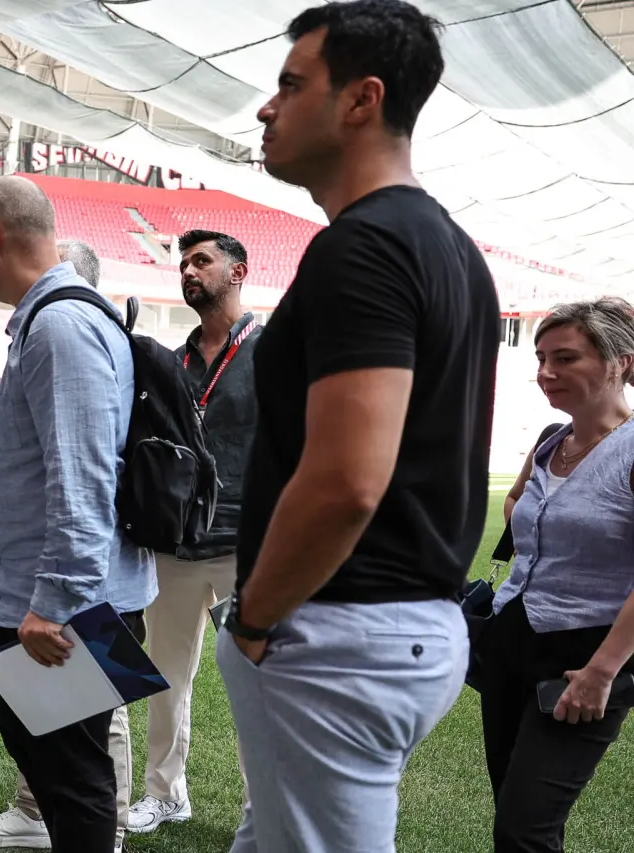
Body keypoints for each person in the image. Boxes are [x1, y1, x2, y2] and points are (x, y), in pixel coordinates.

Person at [215, 3, 500, 852]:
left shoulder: (365, 247)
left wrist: (255, 620)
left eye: (291, 84)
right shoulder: (448, 246)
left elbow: (347, 481)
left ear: (362, 99)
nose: (267, 107)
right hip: (391, 628)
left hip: (339, 632)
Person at [0, 174, 157, 853]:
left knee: (72, 778)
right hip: (78, 596)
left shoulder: (61, 326)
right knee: (51, 757)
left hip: (70, 605)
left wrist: (52, 604)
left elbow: (84, 479)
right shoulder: (57, 318)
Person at [483, 299, 634, 853]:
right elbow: (520, 502)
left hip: (587, 654)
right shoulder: (553, 439)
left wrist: (602, 671)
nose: (546, 372)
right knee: (517, 809)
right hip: (511, 638)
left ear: (620, 362)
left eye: (565, 358)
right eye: (542, 358)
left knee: (524, 828)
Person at [129, 230, 259, 833]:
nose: (188, 270)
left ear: (238, 272)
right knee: (164, 679)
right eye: (183, 263)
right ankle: (164, 793)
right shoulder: (173, 361)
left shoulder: (271, 351)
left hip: (246, 547)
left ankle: (261, 809)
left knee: (256, 684)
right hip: (176, 544)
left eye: (202, 260)